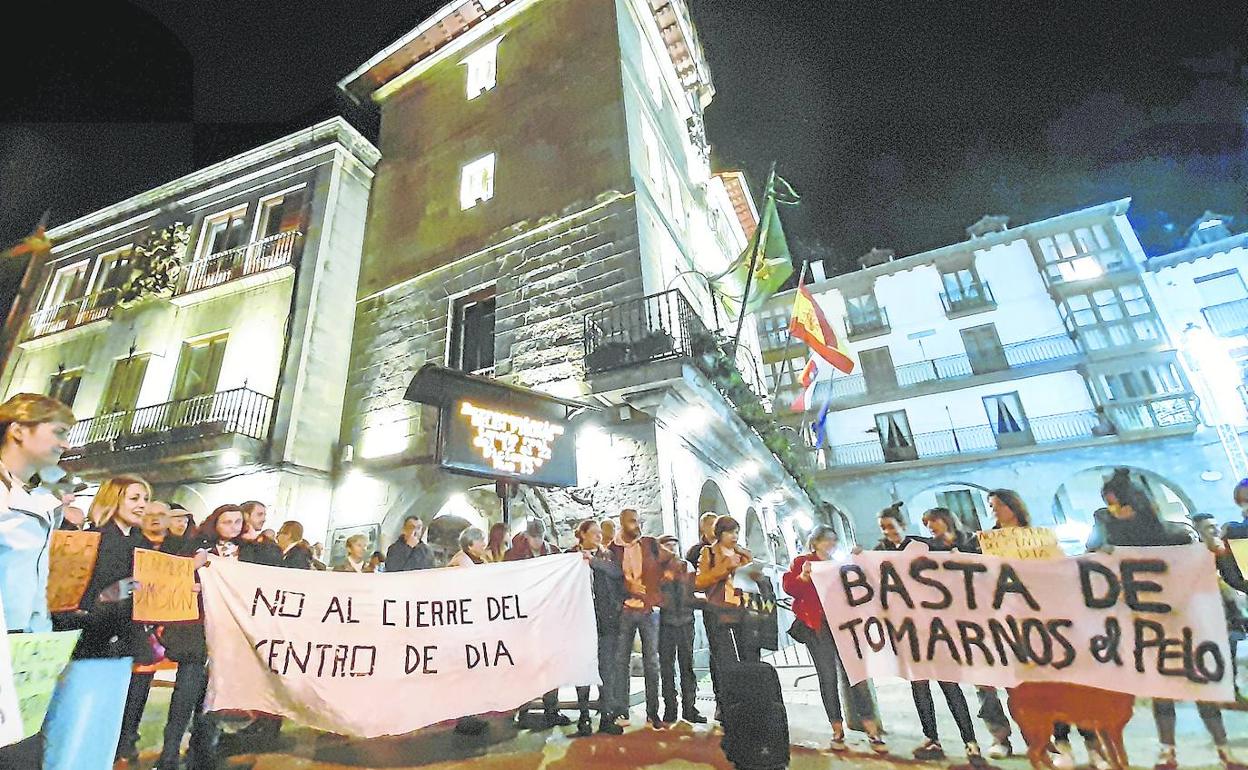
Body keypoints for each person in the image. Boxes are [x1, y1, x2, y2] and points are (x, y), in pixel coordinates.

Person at [1093, 469, 1245, 770]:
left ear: (1134, 502)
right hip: (1148, 625)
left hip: (1188, 621)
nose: (1114, 511)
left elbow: (1206, 571)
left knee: (1202, 687)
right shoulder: (1111, 542)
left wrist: (1213, 554)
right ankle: (1168, 751)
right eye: (1109, 506)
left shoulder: (1177, 534)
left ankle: (1223, 748)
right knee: (1162, 689)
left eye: (1116, 504)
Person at [156, 504, 281, 770]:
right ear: (215, 523)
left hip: (228, 635)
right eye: (227, 522)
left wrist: (257, 539)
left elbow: (272, 567)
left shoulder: (249, 553)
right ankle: (168, 754)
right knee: (185, 695)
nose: (233, 527)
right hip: (196, 633)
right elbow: (172, 576)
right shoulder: (198, 549)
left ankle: (202, 752)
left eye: (238, 522)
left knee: (215, 698)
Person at [0, 393, 73, 766]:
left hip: (25, 652)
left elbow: (34, 578)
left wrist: (43, 647)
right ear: (18, 430)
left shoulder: (37, 496)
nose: (65, 443)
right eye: (58, 431)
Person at [784, 524, 887, 755]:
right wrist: (803, 577)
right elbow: (791, 587)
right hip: (817, 627)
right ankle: (837, 729)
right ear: (815, 542)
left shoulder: (841, 563)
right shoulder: (803, 562)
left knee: (856, 676)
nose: (831, 544)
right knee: (827, 677)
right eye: (826, 540)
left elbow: (862, 584)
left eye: (834, 540)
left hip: (844, 626)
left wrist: (862, 561)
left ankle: (871, 729)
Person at [902, 507, 985, 767]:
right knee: (921, 685)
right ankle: (932, 738)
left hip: (958, 624)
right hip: (924, 626)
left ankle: (971, 742)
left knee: (952, 685)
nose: (930, 527)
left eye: (933, 521)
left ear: (946, 519)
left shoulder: (971, 542)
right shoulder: (925, 547)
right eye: (926, 523)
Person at [608, 508, 674, 729]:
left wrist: (658, 591)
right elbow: (611, 580)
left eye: (638, 521)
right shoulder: (613, 549)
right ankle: (621, 710)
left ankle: (652, 713)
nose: (637, 525)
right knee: (621, 661)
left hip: (647, 610)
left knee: (651, 662)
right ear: (622, 523)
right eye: (632, 521)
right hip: (626, 610)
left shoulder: (649, 544)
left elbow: (671, 559)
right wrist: (621, 601)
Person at [505, 518, 571, 728]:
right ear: (527, 536)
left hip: (548, 616)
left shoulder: (552, 552)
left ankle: (552, 708)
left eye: (539, 537)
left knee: (550, 664)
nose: (537, 542)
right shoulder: (513, 554)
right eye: (533, 537)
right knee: (525, 664)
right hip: (524, 617)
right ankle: (523, 709)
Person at [695, 515, 757, 718]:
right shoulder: (708, 553)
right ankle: (726, 705)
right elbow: (700, 581)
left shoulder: (742, 555)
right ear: (720, 533)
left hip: (742, 611)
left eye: (737, 532)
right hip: (718, 611)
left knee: (748, 658)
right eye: (730, 532)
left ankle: (748, 702)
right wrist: (723, 569)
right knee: (724, 660)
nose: (734, 536)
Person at [569, 519, 626, 735]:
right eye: (593, 532)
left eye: (599, 532)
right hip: (580, 621)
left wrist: (592, 561)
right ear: (582, 534)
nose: (598, 536)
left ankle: (606, 716)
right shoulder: (570, 556)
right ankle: (583, 719)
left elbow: (616, 573)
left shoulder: (607, 555)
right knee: (582, 670)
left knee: (606, 670)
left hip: (605, 620)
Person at [1194, 513, 1248, 701]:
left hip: (1235, 615)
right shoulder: (1195, 558)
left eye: (1216, 526)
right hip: (1210, 617)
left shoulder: (1229, 553)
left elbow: (1241, 581)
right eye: (1210, 528)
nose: (1216, 531)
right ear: (1198, 534)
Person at [657, 534, 705, 725]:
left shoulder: (686, 566)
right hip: (665, 622)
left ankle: (689, 708)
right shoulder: (656, 569)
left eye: (674, 546)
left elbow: (692, 589)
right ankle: (670, 708)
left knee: (687, 666)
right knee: (667, 668)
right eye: (667, 546)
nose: (672, 549)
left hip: (685, 620)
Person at [447, 527, 492, 735]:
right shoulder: (462, 561)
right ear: (470, 544)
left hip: (475, 624)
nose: (484, 544)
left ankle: (471, 714)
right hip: (463, 627)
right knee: (465, 672)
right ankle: (464, 719)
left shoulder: (478, 560)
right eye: (481, 541)